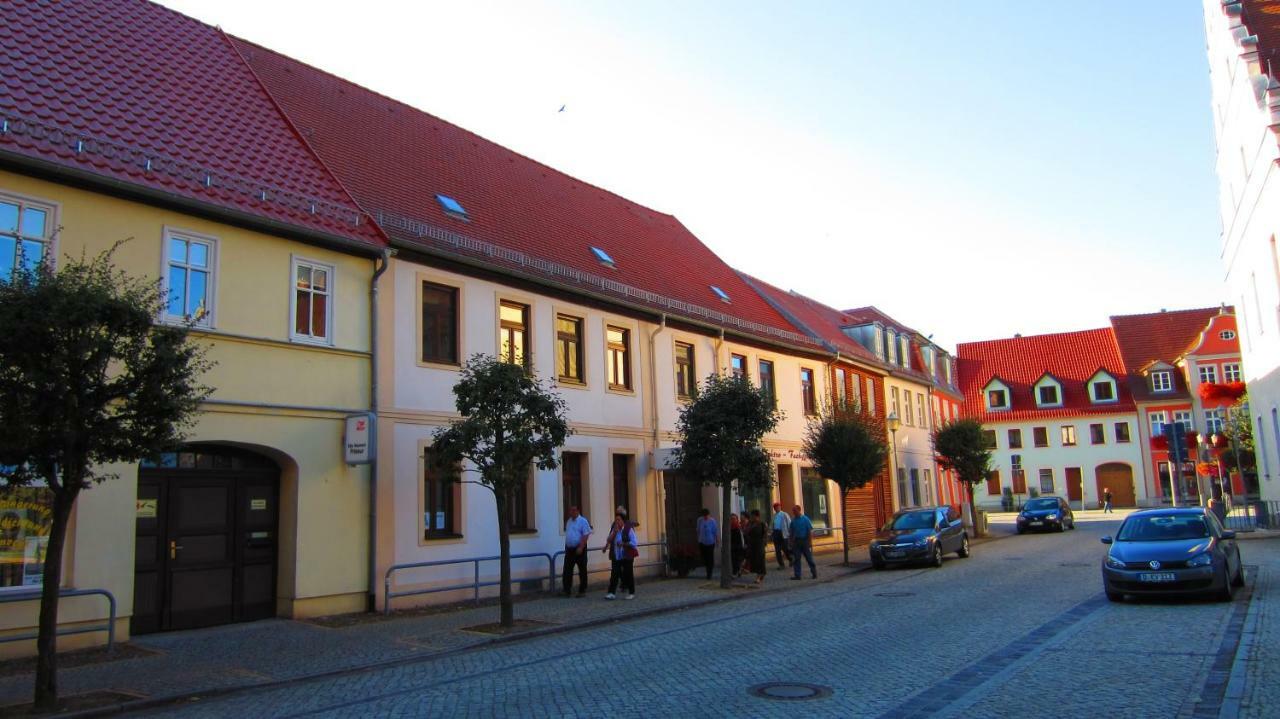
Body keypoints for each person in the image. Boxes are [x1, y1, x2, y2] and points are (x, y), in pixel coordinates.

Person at [602, 510, 638, 600]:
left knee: (628, 573)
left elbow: (634, 542)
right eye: (616, 520)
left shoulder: (628, 529)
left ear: (623, 521)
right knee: (614, 574)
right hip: (617, 555)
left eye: (618, 520)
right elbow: (609, 539)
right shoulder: (614, 528)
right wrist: (614, 532)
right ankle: (611, 593)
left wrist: (623, 543)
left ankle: (631, 592)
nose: (616, 522)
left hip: (627, 555)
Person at [562, 505, 591, 597]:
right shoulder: (569, 521)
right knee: (567, 569)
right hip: (570, 549)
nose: (572, 512)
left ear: (578, 511)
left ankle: (582, 590)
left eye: (574, 510)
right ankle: (567, 590)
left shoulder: (583, 521)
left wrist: (581, 547)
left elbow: (586, 535)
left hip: (579, 548)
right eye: (571, 510)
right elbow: (569, 534)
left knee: (582, 569)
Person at [790, 504, 817, 580]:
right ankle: (797, 575)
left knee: (809, 558)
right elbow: (791, 532)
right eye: (793, 511)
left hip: (804, 540)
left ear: (799, 510)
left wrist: (810, 542)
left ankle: (814, 572)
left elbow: (809, 531)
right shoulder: (793, 520)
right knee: (796, 558)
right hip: (797, 541)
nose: (793, 512)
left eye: (794, 510)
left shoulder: (805, 519)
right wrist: (791, 541)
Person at [696, 508, 718, 580]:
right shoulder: (700, 520)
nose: (705, 517)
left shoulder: (712, 521)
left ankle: (709, 573)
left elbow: (715, 531)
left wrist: (717, 540)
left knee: (710, 558)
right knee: (704, 557)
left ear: (709, 515)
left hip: (710, 542)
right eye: (704, 516)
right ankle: (707, 568)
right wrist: (698, 539)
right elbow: (698, 530)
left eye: (707, 516)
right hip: (702, 541)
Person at [746, 509, 767, 584]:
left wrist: (764, 543)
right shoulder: (750, 523)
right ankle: (760, 574)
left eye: (752, 515)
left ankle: (759, 576)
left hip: (759, 544)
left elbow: (765, 534)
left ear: (756, 516)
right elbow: (747, 532)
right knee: (754, 560)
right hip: (752, 544)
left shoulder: (762, 524)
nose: (751, 517)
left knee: (760, 560)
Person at [771, 501, 791, 569]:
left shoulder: (784, 514)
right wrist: (771, 532)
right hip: (776, 533)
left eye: (778, 507)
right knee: (777, 550)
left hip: (783, 533)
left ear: (780, 507)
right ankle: (781, 564)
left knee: (785, 548)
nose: (777, 508)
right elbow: (772, 525)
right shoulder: (774, 516)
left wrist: (789, 533)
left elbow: (789, 523)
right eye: (775, 507)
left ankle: (791, 559)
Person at [729, 513, 746, 578]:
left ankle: (737, 572)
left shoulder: (739, 527)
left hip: (739, 546)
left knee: (738, 560)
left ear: (737, 520)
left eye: (734, 519)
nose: (732, 520)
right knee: (734, 560)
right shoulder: (729, 528)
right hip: (732, 546)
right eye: (731, 519)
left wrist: (743, 545)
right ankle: (736, 572)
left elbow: (742, 538)